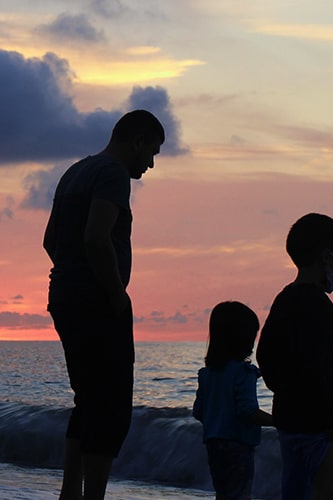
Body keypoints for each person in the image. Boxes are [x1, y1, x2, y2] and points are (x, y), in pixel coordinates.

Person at [43, 110, 165, 500]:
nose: (150, 164)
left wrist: (71, 276)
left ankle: (70, 493)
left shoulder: (75, 172)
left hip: (64, 297)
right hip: (96, 302)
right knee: (110, 408)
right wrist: (115, 294)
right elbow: (96, 238)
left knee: (88, 400)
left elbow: (50, 241)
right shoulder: (112, 175)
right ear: (138, 140)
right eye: (152, 152)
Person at [256, 213, 333, 500]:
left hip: (288, 416)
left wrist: (283, 391)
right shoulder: (320, 307)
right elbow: (320, 368)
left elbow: (265, 354)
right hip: (317, 423)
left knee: (295, 487)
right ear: (327, 257)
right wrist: (331, 420)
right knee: (325, 488)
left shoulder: (284, 298)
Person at [193, 301, 273, 500]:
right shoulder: (244, 373)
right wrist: (278, 420)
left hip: (213, 444)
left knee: (223, 493)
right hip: (239, 445)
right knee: (241, 494)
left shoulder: (206, 374)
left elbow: (198, 411)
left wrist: (217, 420)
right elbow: (247, 411)